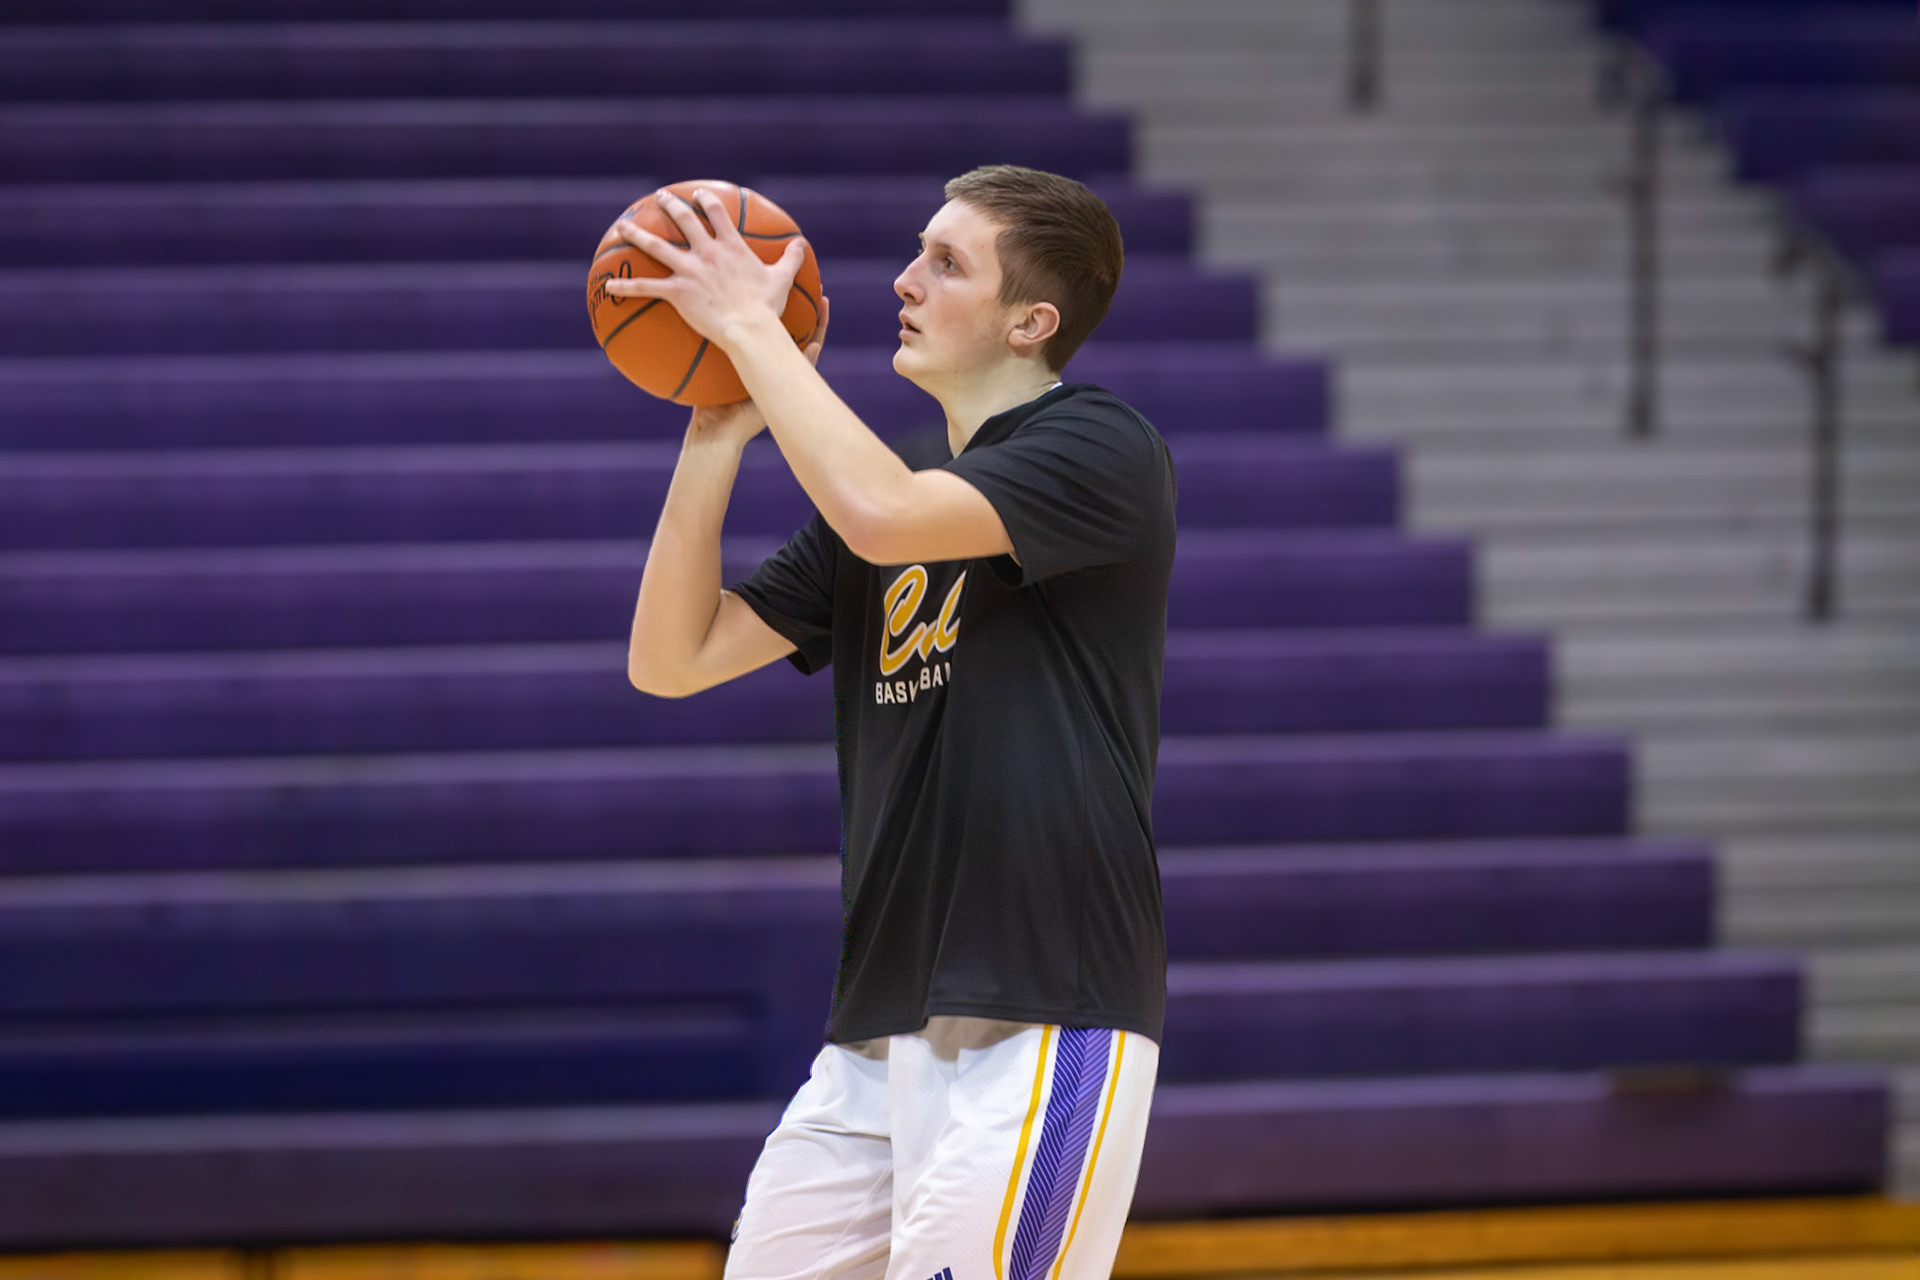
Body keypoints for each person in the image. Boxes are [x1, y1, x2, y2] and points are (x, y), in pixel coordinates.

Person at [613, 164, 1176, 1280]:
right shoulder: (897, 482)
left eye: (947, 262)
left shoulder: (1104, 448)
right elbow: (670, 659)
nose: (905, 279)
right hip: (877, 1034)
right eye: (918, 250)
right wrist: (717, 429)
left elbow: (883, 518)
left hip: (1044, 1014)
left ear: (1032, 321)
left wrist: (746, 324)